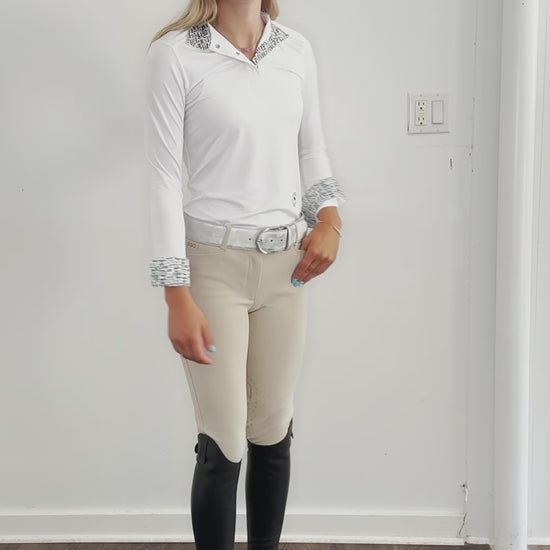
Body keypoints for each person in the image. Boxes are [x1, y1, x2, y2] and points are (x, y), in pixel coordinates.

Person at [143, 0, 345, 548]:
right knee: (224, 439)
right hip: (212, 270)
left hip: (288, 270)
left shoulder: (295, 49)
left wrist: (330, 219)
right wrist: (175, 293)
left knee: (273, 429)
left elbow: (312, 149)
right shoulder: (175, 55)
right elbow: (164, 178)